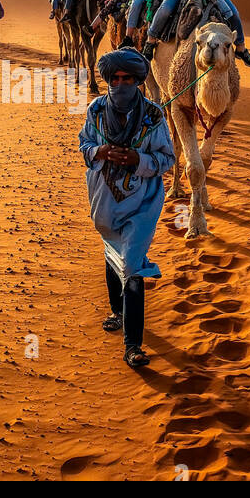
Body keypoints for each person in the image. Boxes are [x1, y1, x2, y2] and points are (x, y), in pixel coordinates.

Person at [77, 47, 175, 368]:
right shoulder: (94, 111)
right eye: (115, 78)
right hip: (105, 199)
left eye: (127, 78)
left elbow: (167, 159)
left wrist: (138, 160)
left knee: (132, 263)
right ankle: (117, 312)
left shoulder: (153, 115)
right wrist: (102, 151)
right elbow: (84, 145)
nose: (120, 84)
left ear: (137, 80)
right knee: (111, 251)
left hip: (142, 203)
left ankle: (133, 345)